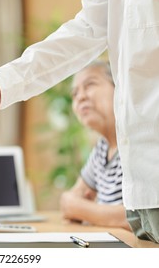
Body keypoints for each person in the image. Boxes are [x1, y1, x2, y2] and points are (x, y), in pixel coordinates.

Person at [0, 0, 159, 243]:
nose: (80, 97)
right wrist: (1, 84)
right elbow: (83, 32)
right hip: (143, 196)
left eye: (90, 86)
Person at [58, 61, 130, 231]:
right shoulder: (102, 148)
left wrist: (82, 209)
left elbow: (142, 218)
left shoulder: (137, 143)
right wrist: (80, 208)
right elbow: (69, 201)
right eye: (74, 93)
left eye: (90, 84)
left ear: (119, 88)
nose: (80, 97)